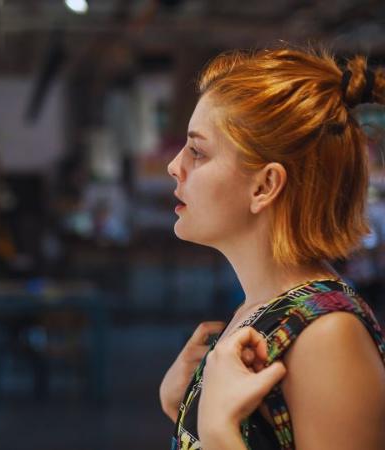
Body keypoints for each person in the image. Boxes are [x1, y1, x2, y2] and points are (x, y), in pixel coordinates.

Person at [160, 46, 385, 449]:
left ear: (264, 186)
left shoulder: (327, 337)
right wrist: (183, 408)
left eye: (197, 151)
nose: (174, 166)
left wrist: (217, 432)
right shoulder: (262, 309)